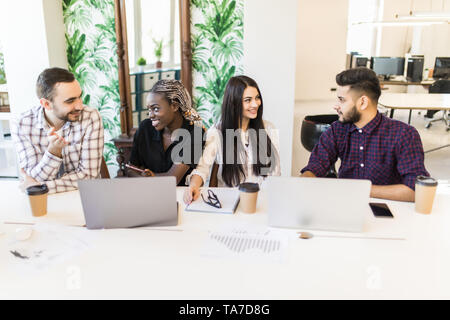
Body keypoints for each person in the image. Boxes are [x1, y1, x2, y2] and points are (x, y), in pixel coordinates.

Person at [301, 67, 429, 202]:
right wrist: (304, 181)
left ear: (363, 102)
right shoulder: (337, 129)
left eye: (342, 100)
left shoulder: (404, 134)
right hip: (346, 205)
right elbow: (316, 166)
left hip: (387, 209)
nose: (336, 106)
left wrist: (360, 189)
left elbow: (416, 191)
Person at [184, 75, 281, 204]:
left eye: (257, 98)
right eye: (248, 100)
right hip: (228, 203)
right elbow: (202, 168)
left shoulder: (268, 129)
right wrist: (193, 186)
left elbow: (274, 174)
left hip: (260, 200)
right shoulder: (217, 132)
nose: (255, 104)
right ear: (234, 103)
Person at [11, 67, 104, 194]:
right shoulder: (22, 125)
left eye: (79, 97)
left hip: (85, 196)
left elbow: (89, 176)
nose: (80, 106)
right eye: (70, 101)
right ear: (46, 104)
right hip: (44, 201)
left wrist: (42, 187)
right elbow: (32, 178)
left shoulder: (90, 117)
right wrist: (53, 152)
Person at [127, 79, 205, 186]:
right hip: (147, 194)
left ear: (174, 106)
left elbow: (173, 179)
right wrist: (144, 179)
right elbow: (131, 169)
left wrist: (147, 179)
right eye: (149, 110)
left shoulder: (195, 134)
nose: (150, 115)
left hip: (181, 198)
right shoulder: (145, 128)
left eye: (155, 109)